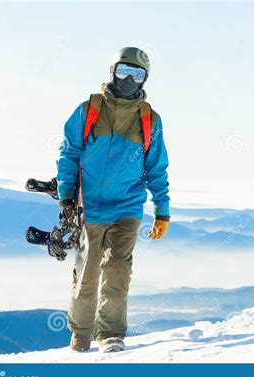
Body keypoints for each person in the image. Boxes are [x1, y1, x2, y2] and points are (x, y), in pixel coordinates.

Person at [56, 47, 170, 353]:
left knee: (118, 270)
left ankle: (110, 335)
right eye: (124, 72)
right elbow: (68, 153)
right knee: (88, 270)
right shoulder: (88, 109)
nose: (130, 80)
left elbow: (157, 168)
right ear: (112, 72)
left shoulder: (150, 120)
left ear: (146, 79)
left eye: (137, 74)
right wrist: (66, 196)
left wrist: (163, 211)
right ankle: (80, 334)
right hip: (88, 205)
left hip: (128, 206)